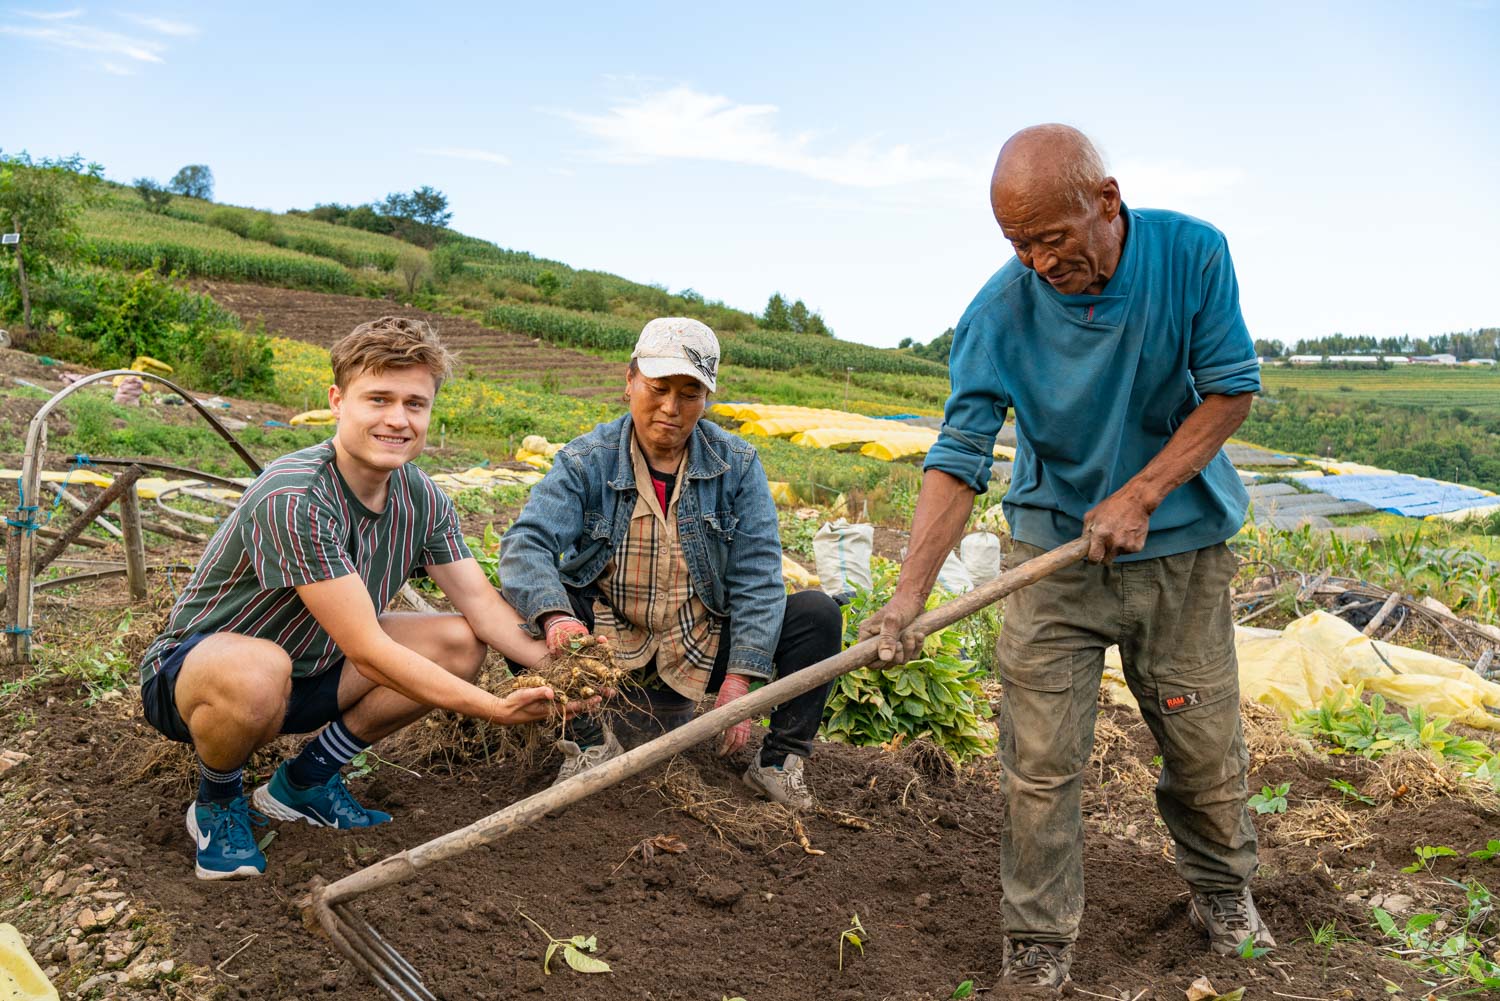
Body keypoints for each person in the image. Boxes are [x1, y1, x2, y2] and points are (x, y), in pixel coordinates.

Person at [859, 125, 1270, 989]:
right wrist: (906, 595)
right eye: (1019, 244)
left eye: (1051, 237)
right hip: (1052, 554)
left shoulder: (1192, 255)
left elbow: (1231, 389)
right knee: (1040, 761)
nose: (1040, 262)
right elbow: (959, 455)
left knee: (1202, 742)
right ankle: (1038, 939)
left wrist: (1142, 493)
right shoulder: (999, 312)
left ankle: (1222, 892)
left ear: (1107, 201)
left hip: (1183, 554)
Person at [138, 316, 591, 881]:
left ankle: (304, 782)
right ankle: (218, 800)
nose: (398, 419)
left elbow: (481, 604)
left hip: (317, 670)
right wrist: (494, 709)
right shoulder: (296, 496)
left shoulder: (421, 497)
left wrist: (566, 669)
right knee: (258, 668)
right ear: (337, 401)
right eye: (379, 399)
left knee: (457, 640)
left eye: (415, 404)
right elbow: (369, 651)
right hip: (202, 679)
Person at [500, 317, 842, 810]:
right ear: (630, 381)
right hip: (606, 641)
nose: (670, 408)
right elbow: (527, 542)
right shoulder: (587, 460)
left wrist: (741, 680)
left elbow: (758, 576)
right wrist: (556, 618)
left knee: (817, 615)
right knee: (517, 610)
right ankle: (589, 743)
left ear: (707, 400)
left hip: (700, 639)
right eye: (658, 388)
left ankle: (777, 764)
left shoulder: (737, 465)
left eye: (689, 394)